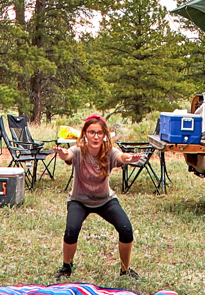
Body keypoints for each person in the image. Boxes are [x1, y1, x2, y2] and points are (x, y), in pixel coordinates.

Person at [53, 114, 148, 279]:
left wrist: (129, 158)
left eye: (99, 133)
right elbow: (68, 155)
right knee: (71, 230)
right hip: (79, 200)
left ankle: (125, 270)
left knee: (126, 229)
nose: (95, 136)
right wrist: (63, 155)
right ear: (85, 134)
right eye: (91, 132)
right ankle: (66, 267)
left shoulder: (110, 152)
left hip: (105, 200)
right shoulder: (78, 150)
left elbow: (121, 156)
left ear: (104, 135)